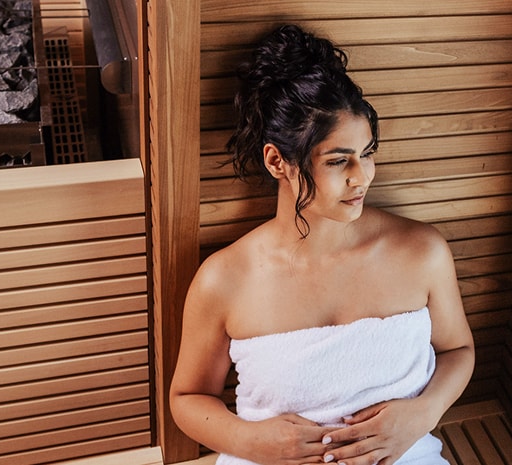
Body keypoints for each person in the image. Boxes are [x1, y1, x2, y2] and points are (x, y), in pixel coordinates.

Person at [168, 25, 476, 465]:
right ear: (278, 161)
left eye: (367, 153)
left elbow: (458, 352)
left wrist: (421, 415)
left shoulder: (421, 251)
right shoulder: (226, 279)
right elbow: (188, 397)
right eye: (338, 160)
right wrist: (250, 441)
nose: (362, 175)